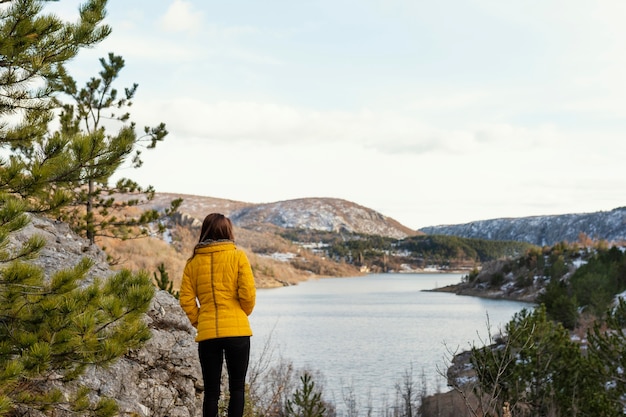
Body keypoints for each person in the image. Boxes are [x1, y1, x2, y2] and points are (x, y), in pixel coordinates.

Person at [179, 213, 256, 417]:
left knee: (211, 392)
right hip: (237, 331)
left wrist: (199, 321)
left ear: (205, 231)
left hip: (208, 334)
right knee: (237, 388)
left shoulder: (193, 263)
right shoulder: (238, 256)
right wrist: (242, 313)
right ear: (227, 231)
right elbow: (248, 294)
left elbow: (186, 299)